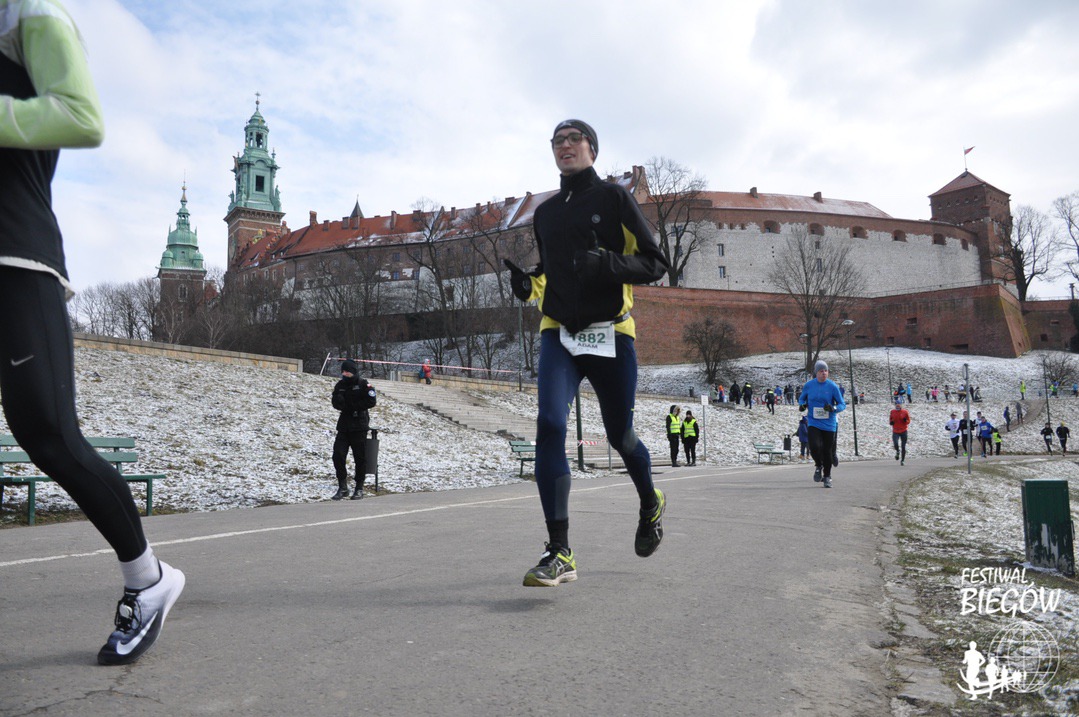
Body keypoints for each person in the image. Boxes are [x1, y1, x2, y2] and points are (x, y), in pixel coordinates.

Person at [0, 0, 185, 666]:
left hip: (15, 256)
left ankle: (148, 578)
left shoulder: (27, 13)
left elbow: (80, 113)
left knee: (48, 432)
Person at [504, 119, 669, 587]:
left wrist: (608, 264)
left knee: (621, 436)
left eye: (574, 139)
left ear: (592, 149)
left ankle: (650, 501)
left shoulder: (614, 198)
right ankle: (559, 551)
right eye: (557, 141)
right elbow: (550, 273)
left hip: (611, 333)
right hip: (559, 333)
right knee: (550, 425)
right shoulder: (545, 214)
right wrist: (529, 286)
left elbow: (655, 263)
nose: (565, 145)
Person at [331, 359, 377, 500]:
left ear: (353, 371)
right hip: (344, 425)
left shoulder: (363, 384)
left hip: (359, 426)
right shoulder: (340, 385)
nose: (345, 374)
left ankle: (359, 487)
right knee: (338, 455)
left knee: (360, 458)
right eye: (343, 371)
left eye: (347, 371)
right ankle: (343, 486)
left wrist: (354, 406)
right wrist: (339, 402)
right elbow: (335, 401)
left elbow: (371, 401)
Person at [798, 360, 846, 488]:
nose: (824, 373)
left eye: (826, 371)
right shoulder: (809, 385)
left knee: (827, 451)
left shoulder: (832, 386)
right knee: (814, 447)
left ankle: (827, 477)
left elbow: (842, 404)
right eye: (821, 371)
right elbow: (802, 399)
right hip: (813, 422)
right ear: (816, 373)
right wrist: (802, 405)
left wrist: (833, 408)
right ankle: (818, 465)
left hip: (829, 423)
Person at [889, 400, 911, 466]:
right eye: (896, 404)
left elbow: (908, 421)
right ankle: (898, 451)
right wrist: (891, 422)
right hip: (895, 431)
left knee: (903, 446)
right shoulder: (892, 412)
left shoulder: (905, 412)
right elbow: (890, 419)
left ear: (901, 405)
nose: (897, 406)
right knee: (895, 443)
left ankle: (902, 460)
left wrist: (905, 420)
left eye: (899, 404)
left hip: (903, 431)